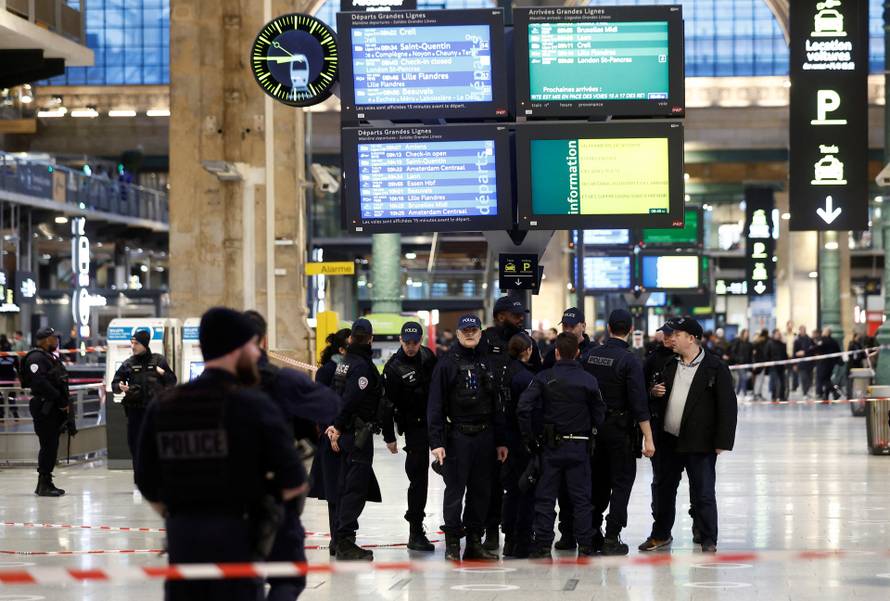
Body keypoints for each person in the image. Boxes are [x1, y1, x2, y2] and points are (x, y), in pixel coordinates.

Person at [135, 307, 306, 601]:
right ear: (237, 350)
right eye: (250, 348)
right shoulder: (254, 406)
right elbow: (295, 480)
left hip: (182, 542)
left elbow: (145, 478)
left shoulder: (165, 406)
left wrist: (179, 514)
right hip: (237, 541)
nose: (256, 356)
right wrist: (265, 507)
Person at [243, 310, 341, 601]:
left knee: (238, 581)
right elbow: (328, 407)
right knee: (288, 577)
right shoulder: (279, 381)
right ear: (264, 340)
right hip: (275, 500)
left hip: (225, 506)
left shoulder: (203, 387)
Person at [640, 316, 738, 554]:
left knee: (703, 492)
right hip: (668, 440)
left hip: (700, 443)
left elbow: (728, 407)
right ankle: (660, 534)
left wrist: (722, 442)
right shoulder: (669, 364)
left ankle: (707, 538)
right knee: (663, 490)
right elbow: (655, 398)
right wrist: (653, 392)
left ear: (691, 338)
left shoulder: (715, 368)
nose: (671, 339)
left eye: (677, 335)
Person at [517, 333, 606, 559]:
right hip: (580, 446)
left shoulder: (544, 377)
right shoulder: (589, 380)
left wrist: (530, 437)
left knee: (545, 498)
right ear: (577, 352)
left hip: (551, 447)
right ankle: (585, 544)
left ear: (556, 352)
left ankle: (544, 545)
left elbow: (524, 407)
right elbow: (600, 414)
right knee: (582, 499)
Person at [428, 314, 508, 561]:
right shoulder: (446, 364)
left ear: (481, 332)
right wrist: (437, 442)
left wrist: (501, 440)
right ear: (459, 333)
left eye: (474, 329)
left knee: (480, 492)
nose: (470, 333)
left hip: (485, 436)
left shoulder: (488, 362)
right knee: (455, 491)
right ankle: (453, 543)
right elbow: (435, 405)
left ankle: (474, 541)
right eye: (466, 330)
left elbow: (497, 403)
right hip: (457, 437)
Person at [582, 310, 655, 555]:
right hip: (620, 430)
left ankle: (591, 534)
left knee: (596, 482)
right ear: (630, 328)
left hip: (593, 429)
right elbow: (638, 403)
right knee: (621, 483)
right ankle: (612, 537)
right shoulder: (629, 361)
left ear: (608, 327)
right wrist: (649, 437)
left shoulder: (590, 356)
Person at [479, 296, 540, 551]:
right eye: (515, 315)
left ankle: (519, 532)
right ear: (500, 316)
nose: (520, 319)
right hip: (490, 424)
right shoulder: (485, 339)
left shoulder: (528, 342)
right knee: (491, 482)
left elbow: (537, 375)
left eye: (521, 315)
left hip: (519, 426)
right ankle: (491, 530)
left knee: (522, 482)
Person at [325, 318, 385, 560]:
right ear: (371, 338)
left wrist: (332, 426)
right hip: (356, 435)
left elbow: (331, 394)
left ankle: (338, 540)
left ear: (351, 339)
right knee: (355, 489)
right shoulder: (361, 366)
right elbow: (351, 399)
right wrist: (338, 427)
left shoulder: (343, 363)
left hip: (344, 433)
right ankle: (346, 542)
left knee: (344, 487)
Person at [381, 321, 438, 552]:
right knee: (418, 479)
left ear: (421, 341)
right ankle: (415, 531)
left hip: (434, 422)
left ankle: (456, 524)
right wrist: (389, 437)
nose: (411, 347)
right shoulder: (393, 368)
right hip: (413, 427)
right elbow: (386, 404)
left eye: (415, 342)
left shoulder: (427, 356)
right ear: (401, 341)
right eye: (407, 342)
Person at [308, 326, 351, 556]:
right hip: (330, 438)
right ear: (342, 348)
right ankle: (337, 538)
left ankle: (344, 536)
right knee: (334, 491)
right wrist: (329, 431)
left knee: (349, 489)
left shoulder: (353, 368)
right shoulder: (326, 372)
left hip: (348, 436)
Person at [111, 330, 177, 460]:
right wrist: (119, 386)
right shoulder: (128, 364)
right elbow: (114, 384)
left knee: (156, 448)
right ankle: (139, 478)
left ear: (145, 345)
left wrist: (162, 373)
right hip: (135, 413)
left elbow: (172, 381)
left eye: (136, 343)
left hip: (155, 413)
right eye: (132, 343)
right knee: (136, 447)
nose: (133, 346)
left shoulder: (159, 360)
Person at [500, 333, 536, 558]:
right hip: (522, 442)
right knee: (526, 490)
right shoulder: (526, 378)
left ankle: (509, 540)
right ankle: (523, 541)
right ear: (528, 350)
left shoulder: (502, 372)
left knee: (510, 490)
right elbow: (528, 411)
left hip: (504, 440)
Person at [22, 328, 70, 497]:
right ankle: (44, 484)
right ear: (46, 340)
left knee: (51, 445)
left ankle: (46, 482)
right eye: (54, 338)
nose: (57, 340)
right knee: (48, 445)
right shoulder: (35, 358)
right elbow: (40, 382)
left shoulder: (48, 357)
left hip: (52, 407)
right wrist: (59, 399)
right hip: (44, 407)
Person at [815, 327, 843, 400]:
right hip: (831, 364)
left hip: (824, 363)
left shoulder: (823, 340)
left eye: (824, 331)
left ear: (827, 332)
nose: (822, 332)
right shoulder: (834, 341)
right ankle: (826, 396)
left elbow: (817, 348)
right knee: (827, 379)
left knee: (823, 379)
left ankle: (835, 392)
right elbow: (838, 352)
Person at [728, 329, 754, 400]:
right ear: (742, 334)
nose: (747, 334)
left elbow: (750, 355)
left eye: (748, 333)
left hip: (746, 364)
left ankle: (737, 394)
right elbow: (733, 352)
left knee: (741, 379)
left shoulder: (749, 344)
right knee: (743, 378)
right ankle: (745, 394)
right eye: (746, 333)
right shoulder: (738, 342)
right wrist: (737, 359)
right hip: (739, 364)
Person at [765, 329, 788, 401]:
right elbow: (766, 354)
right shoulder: (769, 343)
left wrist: (785, 363)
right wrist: (770, 362)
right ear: (774, 334)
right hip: (773, 366)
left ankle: (782, 397)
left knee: (782, 382)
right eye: (777, 334)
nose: (779, 335)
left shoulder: (782, 344)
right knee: (774, 382)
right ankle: (774, 397)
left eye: (779, 334)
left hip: (781, 366)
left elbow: (785, 355)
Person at [793, 326, 815, 398]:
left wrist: (804, 352)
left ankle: (807, 391)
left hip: (809, 363)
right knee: (803, 378)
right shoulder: (797, 340)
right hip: (801, 363)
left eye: (804, 330)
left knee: (809, 378)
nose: (803, 331)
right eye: (801, 330)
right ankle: (805, 392)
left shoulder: (809, 339)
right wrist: (794, 364)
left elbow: (813, 349)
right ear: (799, 331)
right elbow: (795, 353)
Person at [0, 334, 18, 419]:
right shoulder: (12, 352)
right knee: (11, 395)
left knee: (1, 396)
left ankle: (1, 415)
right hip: (10, 378)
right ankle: (14, 412)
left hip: (1, 378)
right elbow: (17, 364)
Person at [751, 329, 770, 400]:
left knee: (761, 380)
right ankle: (755, 394)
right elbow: (753, 356)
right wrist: (754, 365)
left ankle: (759, 393)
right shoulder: (755, 345)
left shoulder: (762, 343)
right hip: (757, 365)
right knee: (757, 380)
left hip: (762, 364)